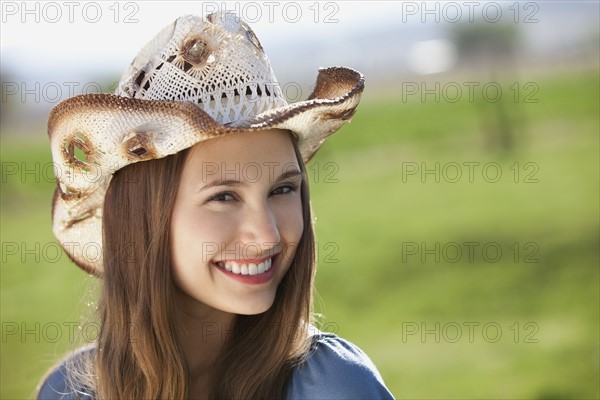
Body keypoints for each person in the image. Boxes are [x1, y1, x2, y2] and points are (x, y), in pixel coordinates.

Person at [38, 11, 394, 399]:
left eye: (282, 190)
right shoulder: (69, 391)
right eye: (224, 197)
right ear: (141, 219)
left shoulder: (332, 387)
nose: (266, 236)